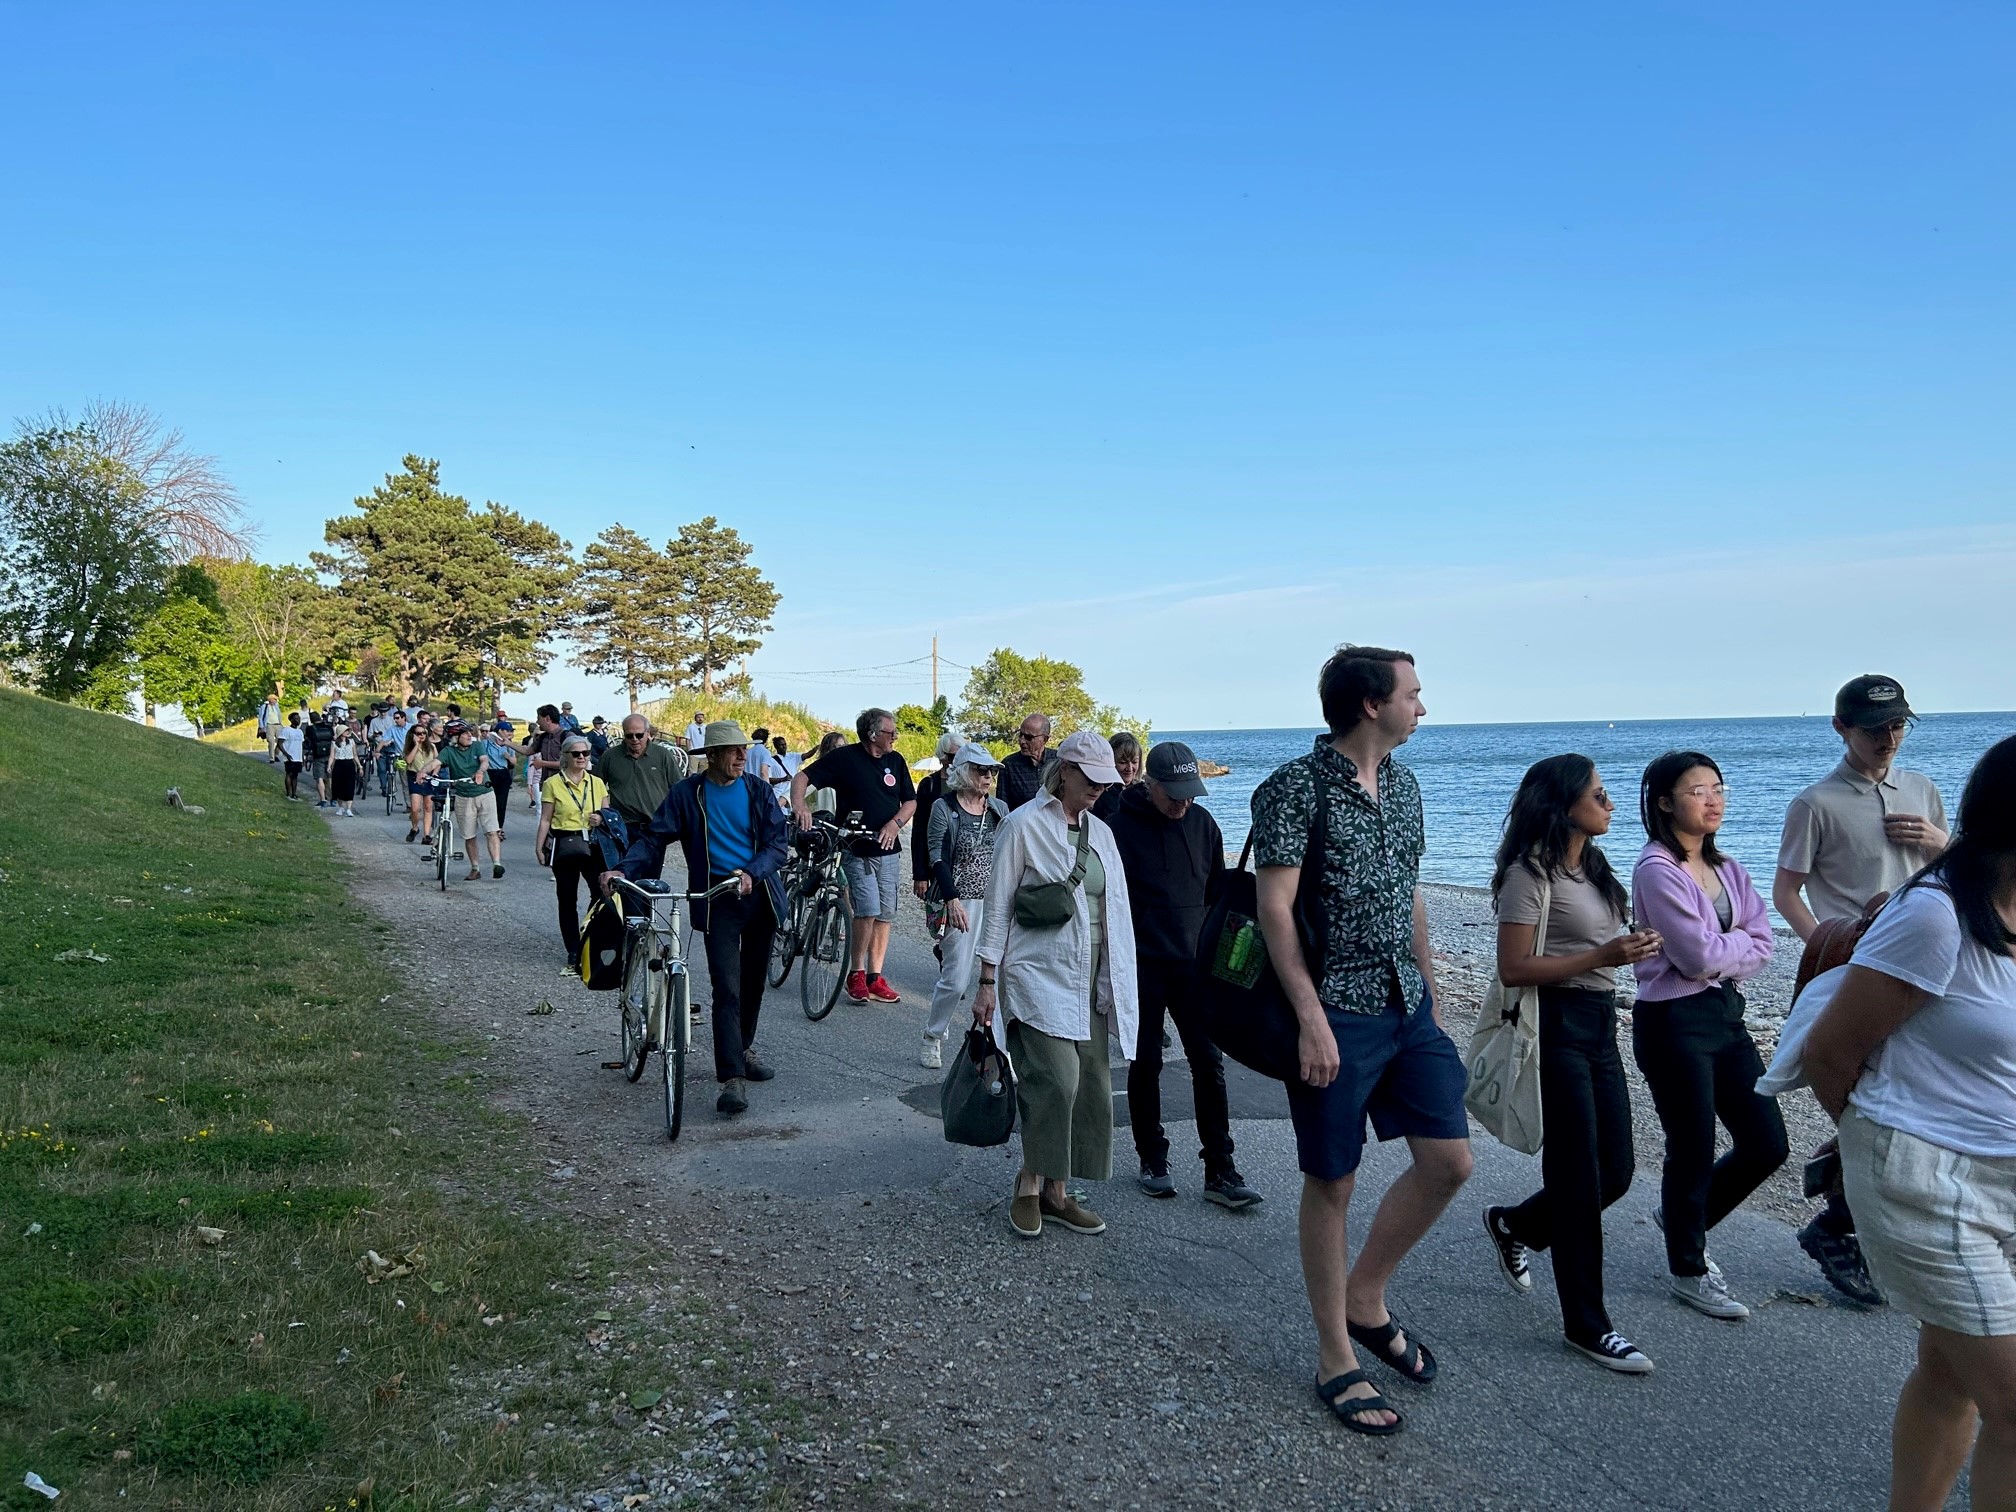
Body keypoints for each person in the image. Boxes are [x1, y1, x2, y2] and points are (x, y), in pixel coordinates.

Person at [1249, 646, 1471, 1436]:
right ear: (1372, 704)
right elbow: (1275, 910)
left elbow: (1409, 895)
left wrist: (1433, 996)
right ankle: (1335, 1354)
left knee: (1450, 1159)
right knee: (1333, 1180)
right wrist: (1309, 1017)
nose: (1423, 706)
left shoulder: (1407, 788)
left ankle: (1365, 1293)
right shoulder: (1293, 788)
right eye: (1414, 693)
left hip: (1405, 1006)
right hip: (1333, 1006)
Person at [1804, 734, 2016, 1512]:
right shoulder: (1933, 918)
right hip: (1930, 1184)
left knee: (1950, 1371)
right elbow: (1834, 1056)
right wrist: (1875, 1156)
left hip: (2005, 1174)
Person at [1479, 756, 1665, 1374]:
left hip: (1599, 1023)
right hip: (1553, 1025)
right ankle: (1588, 1325)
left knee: (1615, 1171)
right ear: (1563, 805)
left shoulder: (1593, 867)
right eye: (1600, 795)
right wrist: (1604, 952)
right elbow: (1514, 968)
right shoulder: (1529, 874)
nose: (1611, 804)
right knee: (1579, 1179)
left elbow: (1597, 952)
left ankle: (1515, 1225)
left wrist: (1627, 951)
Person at [1773, 674, 1949, 1305]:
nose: (1889, 738)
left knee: (1910, 1100)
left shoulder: (1923, 789)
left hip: (1925, 968)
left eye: (1899, 725)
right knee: (1874, 1097)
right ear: (1841, 729)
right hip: (1856, 968)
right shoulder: (1815, 803)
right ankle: (1840, 1224)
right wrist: (1827, 944)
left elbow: (1956, 876)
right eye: (1875, 728)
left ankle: (1840, 1200)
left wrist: (1939, 844)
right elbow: (1786, 891)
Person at [1631, 750, 1788, 1321]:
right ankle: (1689, 1269)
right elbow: (1695, 956)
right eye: (1697, 790)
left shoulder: (1731, 869)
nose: (1712, 799)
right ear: (1666, 803)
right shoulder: (1656, 869)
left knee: (1768, 1142)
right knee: (1692, 1147)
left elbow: (1764, 945)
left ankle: (1683, 1220)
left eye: (1717, 787)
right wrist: (1732, 950)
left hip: (1725, 1016)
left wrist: (1728, 954)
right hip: (1673, 1022)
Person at [973, 731, 1139, 1240]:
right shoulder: (1022, 826)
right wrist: (985, 980)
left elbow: (1116, 910)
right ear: (1064, 770)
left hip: (1090, 975)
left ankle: (1058, 1192)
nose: (1098, 789)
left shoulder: (1102, 835)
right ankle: (1029, 1181)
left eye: (1104, 781)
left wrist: (1124, 979)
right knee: (1056, 1081)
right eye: (1090, 779)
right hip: (1036, 973)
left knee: (1090, 1085)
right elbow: (997, 906)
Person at [605, 722, 792, 1117]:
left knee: (753, 981)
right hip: (716, 899)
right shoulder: (688, 794)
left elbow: (778, 845)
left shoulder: (758, 791)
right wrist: (623, 869)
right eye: (733, 751)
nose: (743, 756)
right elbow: (654, 837)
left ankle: (741, 1049)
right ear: (711, 756)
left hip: (759, 897)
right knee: (726, 987)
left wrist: (751, 873)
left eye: (743, 749)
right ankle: (731, 1079)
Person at [1109, 740, 1259, 1209]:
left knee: (1209, 1066)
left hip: (1194, 968)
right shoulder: (1117, 829)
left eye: (1190, 793)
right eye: (1173, 793)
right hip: (1143, 964)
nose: (1183, 802)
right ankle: (1152, 1158)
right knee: (1146, 1063)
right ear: (1149, 784)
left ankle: (1221, 1169)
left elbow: (1214, 892)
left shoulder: (1203, 824)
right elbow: (1108, 903)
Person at [789, 709, 917, 1005]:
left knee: (886, 913)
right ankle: (856, 973)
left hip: (887, 848)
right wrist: (800, 806)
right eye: (890, 732)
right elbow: (802, 777)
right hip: (855, 847)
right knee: (868, 909)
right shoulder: (845, 758)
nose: (895, 736)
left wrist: (894, 824)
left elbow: (910, 801)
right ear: (873, 734)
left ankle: (875, 976)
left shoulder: (895, 761)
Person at [919, 744, 1008, 1069]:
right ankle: (933, 1035)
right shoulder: (944, 807)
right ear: (962, 771)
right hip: (960, 901)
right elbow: (937, 855)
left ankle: (999, 1051)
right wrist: (951, 898)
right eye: (981, 770)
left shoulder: (999, 809)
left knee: (996, 979)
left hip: (995, 902)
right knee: (956, 980)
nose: (988, 777)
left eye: (992, 771)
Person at [535, 736, 608, 964]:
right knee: (567, 898)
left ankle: (588, 936)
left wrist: (601, 818)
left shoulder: (597, 783)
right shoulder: (552, 784)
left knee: (600, 893)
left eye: (585, 753)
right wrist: (539, 847)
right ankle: (573, 948)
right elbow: (546, 818)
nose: (581, 758)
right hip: (565, 842)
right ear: (566, 756)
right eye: (576, 754)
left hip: (593, 843)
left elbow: (608, 816)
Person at [595, 713, 687, 844]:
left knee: (652, 864)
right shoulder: (610, 757)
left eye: (639, 735)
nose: (634, 739)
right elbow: (595, 786)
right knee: (625, 864)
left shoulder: (662, 755)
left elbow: (679, 788)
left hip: (654, 826)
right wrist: (602, 813)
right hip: (622, 826)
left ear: (648, 732)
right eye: (629, 735)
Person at [435, 721, 504, 881]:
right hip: (463, 795)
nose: (469, 735)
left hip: (485, 793)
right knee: (469, 835)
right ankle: (475, 868)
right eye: (465, 733)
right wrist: (423, 772)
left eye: (469, 732)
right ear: (455, 737)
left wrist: (480, 772)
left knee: (492, 830)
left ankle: (496, 864)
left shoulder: (477, 745)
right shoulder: (448, 751)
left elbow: (484, 761)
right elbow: (435, 763)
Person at [910, 733, 965, 908]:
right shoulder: (929, 785)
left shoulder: (971, 784)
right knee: (939, 917)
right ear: (943, 757)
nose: (958, 761)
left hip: (965, 864)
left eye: (962, 755)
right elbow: (919, 830)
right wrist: (920, 874)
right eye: (953, 756)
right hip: (938, 861)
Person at [997, 713, 1059, 811]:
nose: (1021, 741)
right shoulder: (1009, 765)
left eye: (1028, 737)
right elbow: (1001, 808)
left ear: (1045, 739)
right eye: (1020, 734)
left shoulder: (1059, 761)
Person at [523, 706, 568, 816]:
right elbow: (528, 751)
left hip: (564, 786)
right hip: (547, 785)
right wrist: (507, 743)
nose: (537, 722)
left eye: (539, 718)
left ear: (547, 719)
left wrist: (542, 763)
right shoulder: (543, 738)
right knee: (546, 817)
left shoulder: (567, 737)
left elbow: (568, 764)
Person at [403, 721, 443, 850]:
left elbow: (438, 762)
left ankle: (426, 835)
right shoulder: (409, 747)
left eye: (424, 733)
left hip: (429, 777)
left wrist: (435, 774)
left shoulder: (431, 747)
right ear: (413, 735)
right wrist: (416, 744)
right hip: (414, 776)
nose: (422, 735)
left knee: (428, 806)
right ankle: (415, 828)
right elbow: (408, 761)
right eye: (419, 733)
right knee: (415, 808)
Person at [1092, 731, 1144, 822]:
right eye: (1122, 762)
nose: (1129, 768)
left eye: (1134, 762)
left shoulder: (1143, 792)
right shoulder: (1098, 793)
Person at [480, 724, 519, 840]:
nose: (509, 733)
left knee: (501, 802)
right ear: (500, 731)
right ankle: (490, 828)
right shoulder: (486, 743)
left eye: (511, 731)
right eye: (507, 730)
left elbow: (514, 762)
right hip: (490, 773)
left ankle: (499, 828)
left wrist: (508, 757)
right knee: (489, 802)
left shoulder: (508, 744)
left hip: (503, 773)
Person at [329, 722, 360, 817]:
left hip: (349, 764)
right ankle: (341, 807)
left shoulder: (351, 742)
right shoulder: (334, 743)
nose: (347, 732)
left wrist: (359, 766)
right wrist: (329, 766)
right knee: (338, 786)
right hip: (339, 764)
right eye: (345, 731)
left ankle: (349, 808)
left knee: (350, 785)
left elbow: (355, 755)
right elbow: (332, 756)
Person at [304, 711, 335, 808]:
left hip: (318, 755)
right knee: (329, 777)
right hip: (330, 754)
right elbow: (333, 738)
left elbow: (307, 741)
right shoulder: (328, 727)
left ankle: (323, 800)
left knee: (319, 778)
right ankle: (332, 799)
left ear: (311, 720)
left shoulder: (310, 729)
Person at [277, 713, 305, 801]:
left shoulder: (300, 732)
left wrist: (302, 757)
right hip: (289, 757)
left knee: (295, 776)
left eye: (299, 718)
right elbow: (280, 743)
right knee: (289, 774)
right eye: (296, 718)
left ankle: (294, 793)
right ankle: (288, 793)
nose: (298, 720)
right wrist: (286, 754)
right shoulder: (286, 730)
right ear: (291, 720)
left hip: (298, 757)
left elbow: (301, 745)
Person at [259, 693, 282, 763]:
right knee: (271, 741)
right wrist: (262, 727)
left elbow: (279, 715)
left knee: (280, 740)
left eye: (276, 700)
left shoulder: (276, 706)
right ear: (270, 700)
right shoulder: (264, 706)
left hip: (277, 724)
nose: (275, 701)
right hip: (269, 725)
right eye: (274, 699)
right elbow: (260, 717)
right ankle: (272, 758)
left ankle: (276, 754)